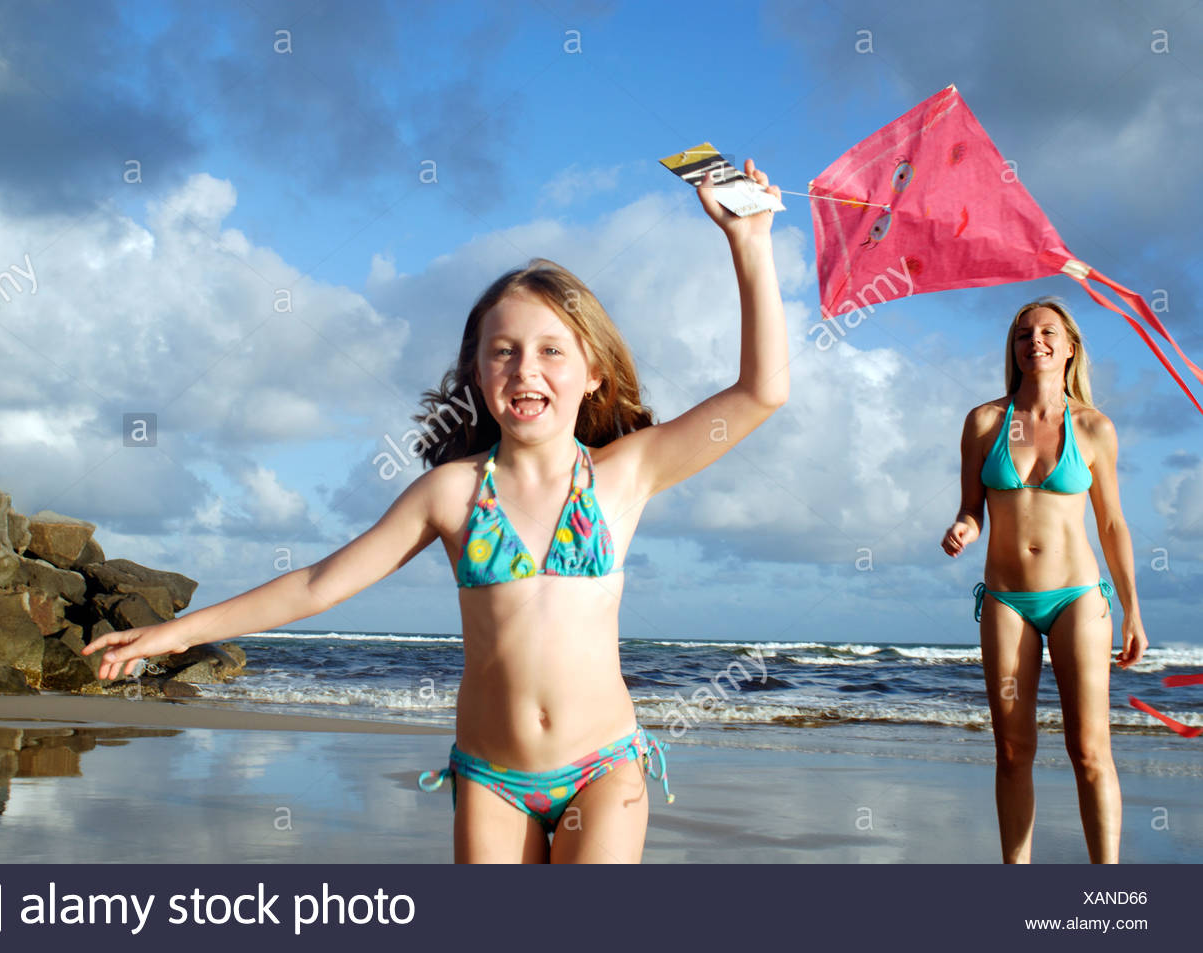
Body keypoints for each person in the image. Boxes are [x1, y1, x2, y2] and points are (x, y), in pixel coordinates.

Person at [84, 161, 789, 863]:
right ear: (478, 372)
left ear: (594, 369)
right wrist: (174, 634)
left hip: (602, 767)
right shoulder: (451, 493)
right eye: (503, 352)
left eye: (551, 350)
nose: (525, 370)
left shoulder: (626, 472)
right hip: (492, 777)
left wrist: (749, 243)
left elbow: (761, 392)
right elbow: (318, 584)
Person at [941, 298, 1147, 864]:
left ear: (1070, 346)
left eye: (1048, 332)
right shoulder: (984, 422)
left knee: (1088, 749)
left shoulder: (1094, 427)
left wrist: (1132, 609)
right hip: (1007, 599)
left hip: (1079, 596)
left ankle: (1107, 891)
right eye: (1023, 334)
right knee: (1011, 750)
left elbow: (1111, 522)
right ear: (1012, 350)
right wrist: (963, 527)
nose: (1035, 341)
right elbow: (971, 509)